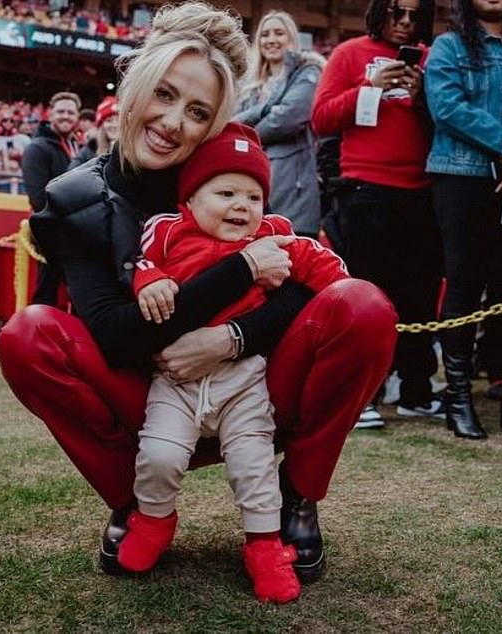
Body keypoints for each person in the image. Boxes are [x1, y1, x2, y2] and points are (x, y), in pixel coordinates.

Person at [0, 1, 397, 586]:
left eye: (197, 111)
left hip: (253, 389)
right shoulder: (72, 197)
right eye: (163, 94)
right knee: (27, 334)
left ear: (216, 123)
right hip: (144, 392)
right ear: (133, 84)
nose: (172, 122)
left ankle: (299, 498)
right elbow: (115, 336)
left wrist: (231, 338)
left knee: (361, 305)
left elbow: (302, 290)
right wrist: (237, 273)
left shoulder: (228, 172)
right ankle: (135, 503)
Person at [118, 122, 348, 602]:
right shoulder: (166, 231)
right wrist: (149, 282)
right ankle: (154, 520)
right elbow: (136, 264)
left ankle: (265, 547)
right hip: (176, 378)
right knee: (158, 456)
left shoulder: (275, 236)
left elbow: (326, 269)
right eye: (225, 192)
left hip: (244, 379)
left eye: (253, 197)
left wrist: (347, 293)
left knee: (254, 465)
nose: (241, 206)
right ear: (191, 199)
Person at [311, 0, 443, 429]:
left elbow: (446, 124)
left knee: (420, 296)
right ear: (378, 12)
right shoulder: (349, 53)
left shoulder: (429, 58)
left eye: (413, 16)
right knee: (369, 296)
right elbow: (322, 117)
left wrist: (423, 98)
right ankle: (362, 395)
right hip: (364, 190)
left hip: (422, 191)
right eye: (395, 13)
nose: (404, 23)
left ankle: (415, 392)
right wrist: (371, 89)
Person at [424, 0, 502, 439]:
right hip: (462, 177)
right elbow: (447, 108)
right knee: (463, 282)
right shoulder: (449, 46)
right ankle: (457, 396)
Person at [234, 10, 325, 238]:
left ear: (291, 38)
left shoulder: (307, 71)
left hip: (292, 184)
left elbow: (287, 118)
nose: (271, 40)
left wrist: (246, 132)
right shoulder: (249, 85)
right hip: (251, 178)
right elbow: (233, 120)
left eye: (279, 33)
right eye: (265, 34)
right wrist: (267, 109)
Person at [21, 91, 80, 305]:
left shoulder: (76, 146)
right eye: (61, 111)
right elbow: (38, 198)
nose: (66, 116)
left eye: (70, 112)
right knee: (47, 289)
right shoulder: (37, 148)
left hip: (75, 229)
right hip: (50, 230)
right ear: (50, 114)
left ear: (77, 117)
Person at [0, 110, 31, 194]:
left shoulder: (23, 138)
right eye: (5, 120)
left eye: (11, 120)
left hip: (20, 178)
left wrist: (19, 157)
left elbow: (30, 158)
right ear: (0, 122)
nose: (8, 123)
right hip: (2, 180)